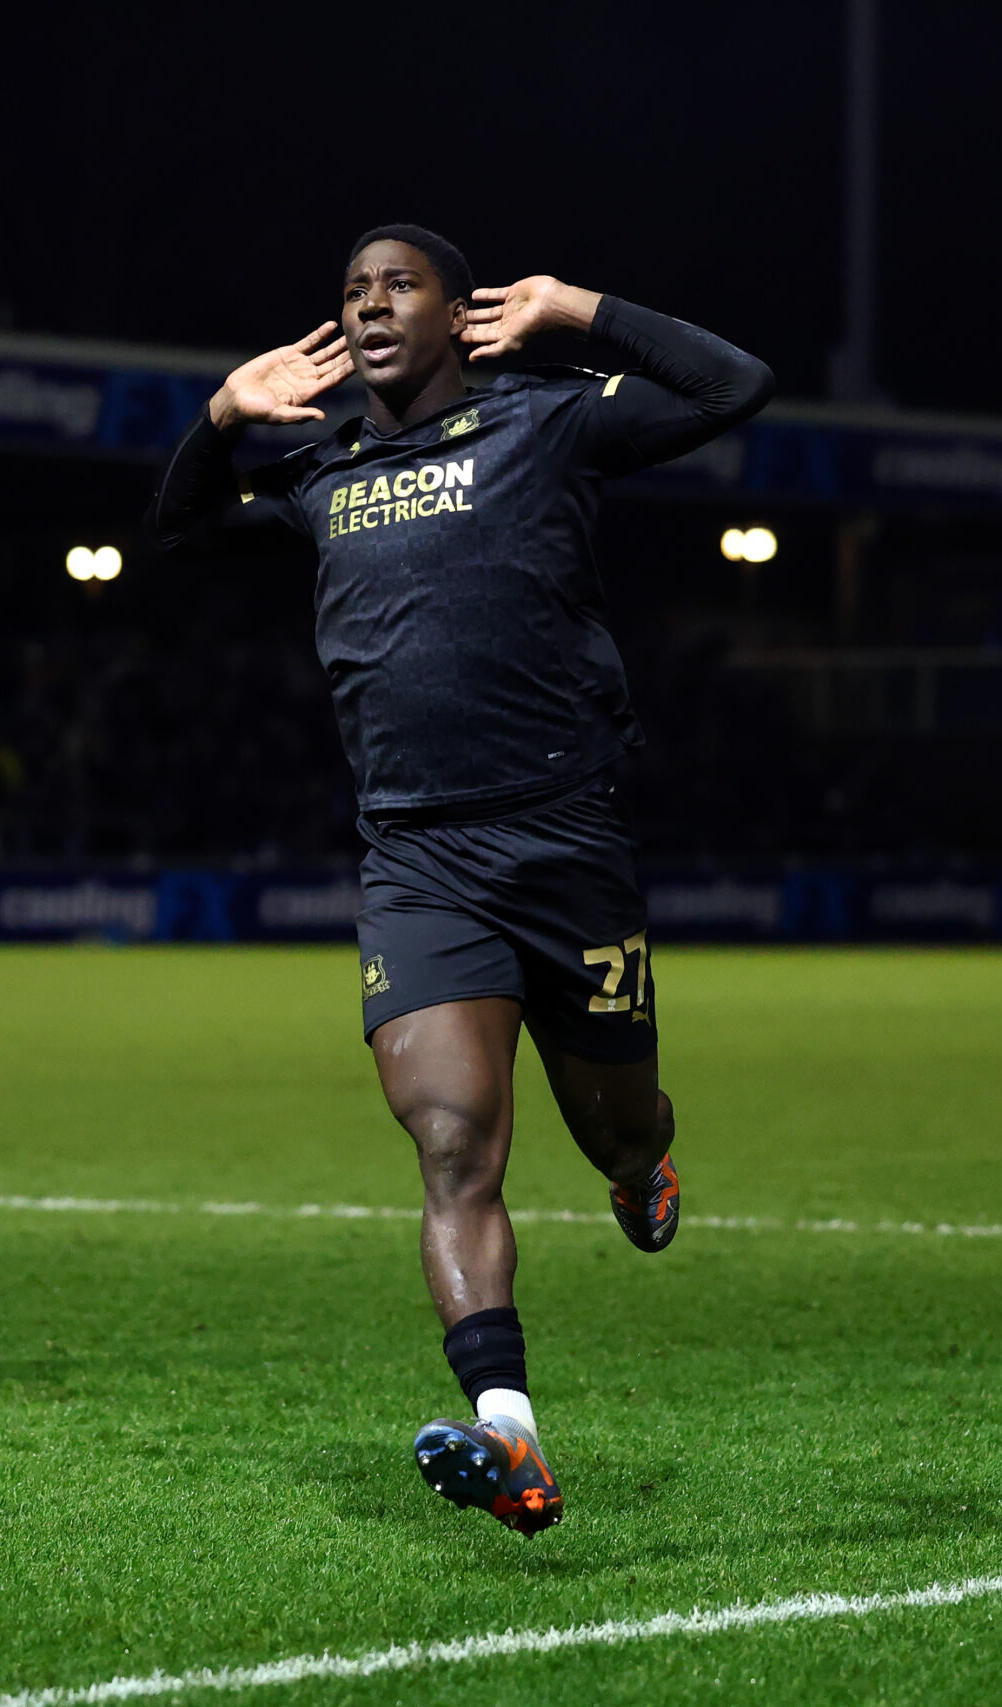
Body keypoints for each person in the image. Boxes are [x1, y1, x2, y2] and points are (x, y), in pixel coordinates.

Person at [152, 225, 772, 1534]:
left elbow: (736, 386)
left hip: (566, 840)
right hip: (420, 860)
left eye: (399, 287)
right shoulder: (325, 470)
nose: (371, 306)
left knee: (617, 1118)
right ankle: (511, 1434)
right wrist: (218, 417)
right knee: (451, 1142)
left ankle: (640, 1159)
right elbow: (178, 533)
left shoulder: (545, 422)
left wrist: (580, 306)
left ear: (456, 312)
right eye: (351, 293)